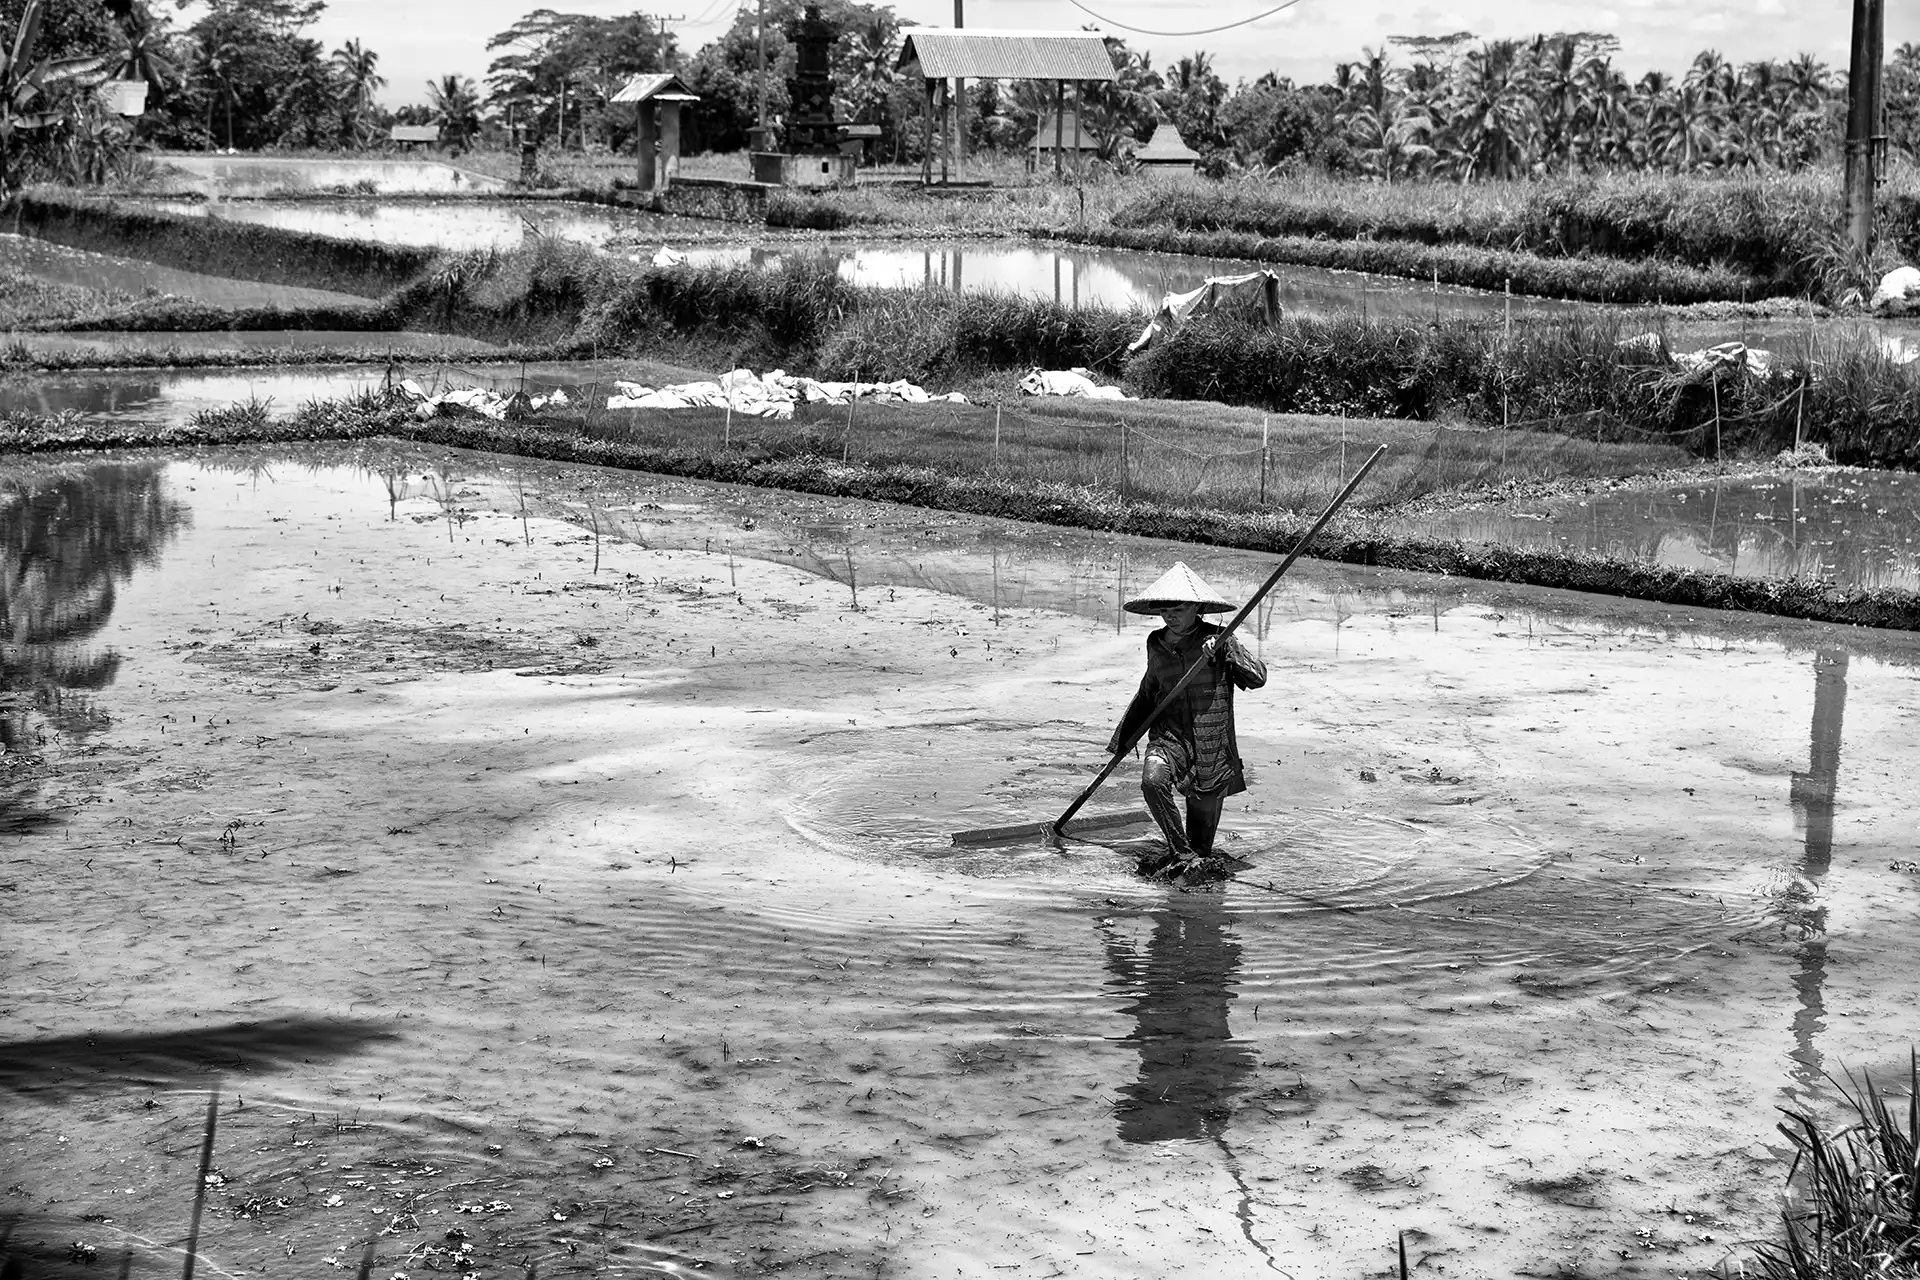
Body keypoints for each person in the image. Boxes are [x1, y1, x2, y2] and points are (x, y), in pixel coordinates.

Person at [1108, 561, 1267, 878]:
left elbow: (1258, 677)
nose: (1170, 615)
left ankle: (1192, 858)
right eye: (1165, 609)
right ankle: (1179, 852)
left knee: (1202, 848)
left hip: (1211, 747)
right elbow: (1148, 692)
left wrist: (1228, 651)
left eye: (1178, 608)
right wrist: (1124, 740)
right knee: (1152, 781)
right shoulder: (1156, 642)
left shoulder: (1221, 640)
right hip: (1169, 737)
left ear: (1197, 608)